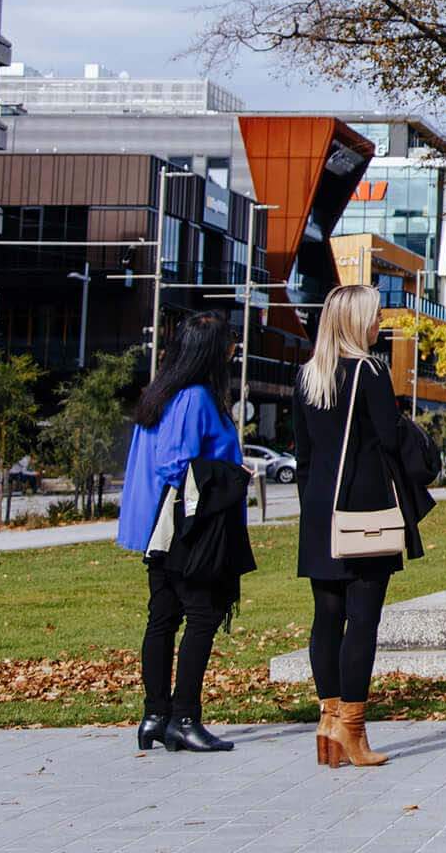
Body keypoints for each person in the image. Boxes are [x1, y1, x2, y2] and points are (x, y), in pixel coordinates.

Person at [295, 283, 434, 768]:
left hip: (318, 511)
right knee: (363, 621)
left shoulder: (308, 376)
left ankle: (328, 722)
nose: (380, 325)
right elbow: (390, 439)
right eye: (374, 318)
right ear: (357, 323)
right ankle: (352, 730)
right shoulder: (370, 372)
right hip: (364, 511)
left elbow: (304, 455)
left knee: (326, 619)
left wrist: (312, 507)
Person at [116, 312, 249, 753]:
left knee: (164, 617)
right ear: (210, 351)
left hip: (164, 526)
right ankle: (183, 717)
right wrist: (232, 475)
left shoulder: (163, 393)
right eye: (229, 343)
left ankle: (155, 715)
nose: (234, 350)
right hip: (190, 528)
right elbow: (177, 462)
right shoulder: (194, 398)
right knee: (202, 616)